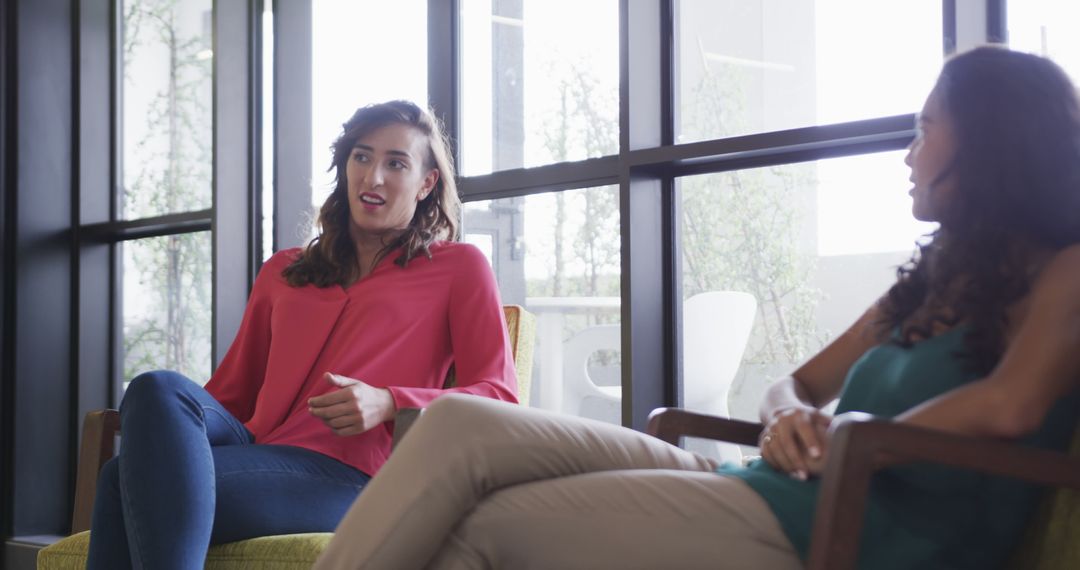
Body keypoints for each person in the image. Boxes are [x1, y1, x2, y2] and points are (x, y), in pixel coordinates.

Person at [313, 47, 1080, 570]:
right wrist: (786, 418)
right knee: (456, 425)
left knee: (477, 529)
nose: (908, 153)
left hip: (845, 531)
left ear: (987, 142)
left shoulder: (1066, 271)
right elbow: (797, 385)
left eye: (923, 130)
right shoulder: (936, 278)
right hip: (768, 486)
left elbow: (1010, 407)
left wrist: (845, 437)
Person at [86, 100, 519, 570]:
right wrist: (165, 432)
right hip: (261, 453)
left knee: (119, 480)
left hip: (356, 479)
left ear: (426, 183)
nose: (373, 177)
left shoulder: (458, 267)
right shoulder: (284, 271)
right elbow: (232, 396)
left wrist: (389, 401)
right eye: (362, 156)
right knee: (155, 389)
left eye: (396, 163)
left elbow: (498, 397)